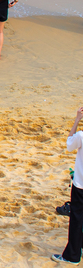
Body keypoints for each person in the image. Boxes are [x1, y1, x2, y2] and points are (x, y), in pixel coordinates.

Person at [55, 106, 83, 264]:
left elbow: (69, 144)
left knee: (77, 219)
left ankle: (72, 256)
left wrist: (77, 120)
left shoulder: (81, 136)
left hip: (81, 185)